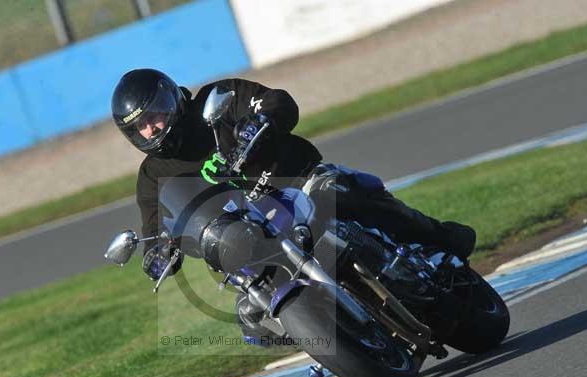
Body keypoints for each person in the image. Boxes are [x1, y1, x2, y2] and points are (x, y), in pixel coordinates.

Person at [111, 68, 476, 291]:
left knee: (342, 192)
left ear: (171, 98)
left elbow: (276, 101)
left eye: (155, 114)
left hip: (297, 182)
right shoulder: (152, 176)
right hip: (254, 233)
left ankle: (438, 238)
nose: (151, 127)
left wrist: (260, 120)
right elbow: (157, 226)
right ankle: (343, 338)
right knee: (250, 304)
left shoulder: (217, 98)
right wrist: (157, 254)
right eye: (140, 127)